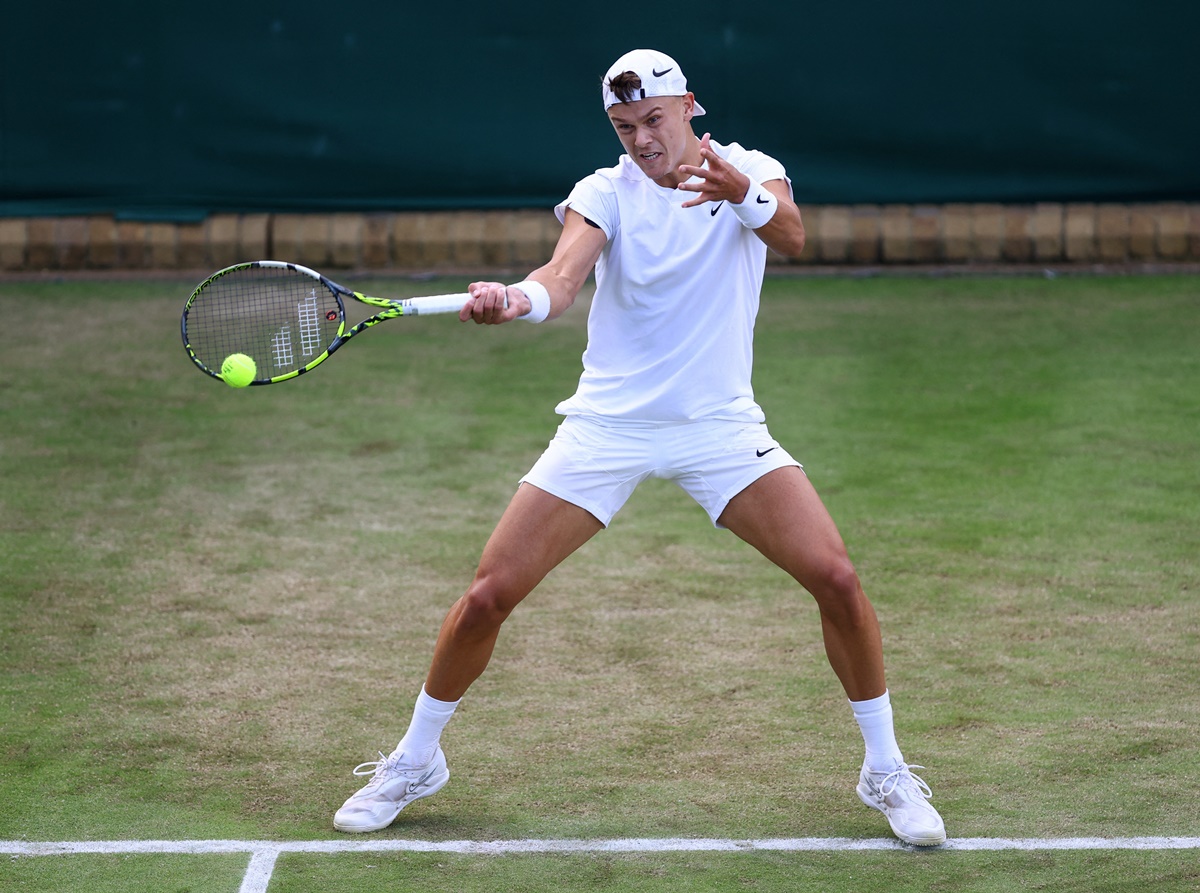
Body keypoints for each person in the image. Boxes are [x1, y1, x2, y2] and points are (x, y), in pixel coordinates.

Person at [333, 48, 946, 846]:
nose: (641, 141)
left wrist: (741, 194)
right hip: (608, 427)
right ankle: (415, 759)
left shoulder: (752, 169)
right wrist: (508, 301)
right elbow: (557, 283)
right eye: (625, 127)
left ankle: (886, 769)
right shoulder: (604, 192)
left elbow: (792, 234)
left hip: (719, 427)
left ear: (689, 106)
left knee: (836, 577)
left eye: (653, 121)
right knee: (488, 594)